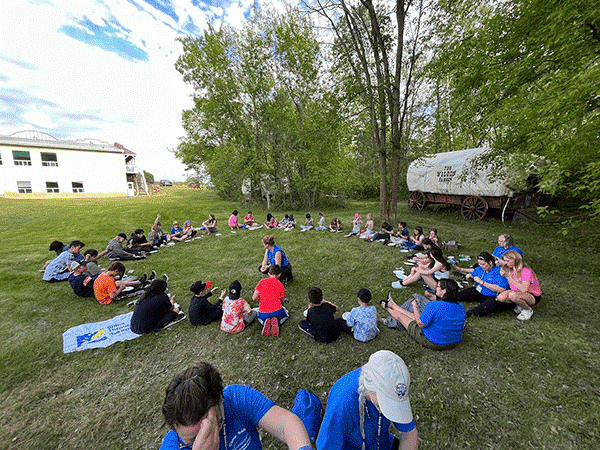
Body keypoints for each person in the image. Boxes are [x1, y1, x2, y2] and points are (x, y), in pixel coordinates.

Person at [159, 362, 313, 450]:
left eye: (202, 433)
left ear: (219, 404)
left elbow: (287, 424)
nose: (198, 441)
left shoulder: (234, 399)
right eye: (190, 441)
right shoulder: (172, 446)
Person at [316, 350, 418, 450]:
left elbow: (409, 433)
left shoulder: (395, 386)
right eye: (383, 404)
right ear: (369, 387)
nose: (384, 412)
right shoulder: (342, 402)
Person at [381, 278, 466, 350]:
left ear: (444, 291)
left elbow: (419, 323)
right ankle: (393, 305)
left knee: (401, 317)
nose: (436, 287)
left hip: (435, 342)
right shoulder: (460, 306)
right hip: (453, 342)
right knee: (419, 317)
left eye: (438, 286)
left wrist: (415, 306)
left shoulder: (434, 305)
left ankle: (387, 306)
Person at [455, 252, 511, 317]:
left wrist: (482, 282)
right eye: (480, 264)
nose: (481, 266)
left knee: (485, 308)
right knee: (462, 294)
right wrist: (469, 276)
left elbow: (501, 289)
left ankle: (466, 314)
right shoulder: (480, 269)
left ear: (490, 262)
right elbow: (473, 274)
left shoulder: (499, 272)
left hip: (493, 296)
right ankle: (445, 298)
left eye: (483, 264)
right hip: (479, 291)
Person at [496, 250, 542, 321]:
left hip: (531, 295)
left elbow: (524, 289)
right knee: (500, 298)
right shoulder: (510, 268)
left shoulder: (526, 271)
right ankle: (520, 304)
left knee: (512, 295)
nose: (505, 263)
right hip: (516, 291)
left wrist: (508, 277)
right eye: (504, 260)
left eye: (507, 261)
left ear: (516, 261)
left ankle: (528, 310)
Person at [253, 264, 289, 336]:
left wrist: (261, 297)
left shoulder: (262, 282)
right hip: (277, 312)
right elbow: (281, 302)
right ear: (279, 275)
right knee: (286, 314)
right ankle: (277, 323)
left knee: (257, 313)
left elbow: (254, 298)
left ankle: (264, 323)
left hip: (263, 313)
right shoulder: (280, 285)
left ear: (269, 273)